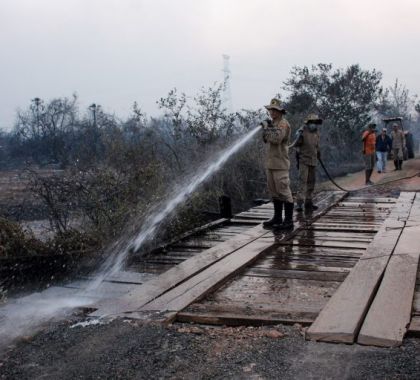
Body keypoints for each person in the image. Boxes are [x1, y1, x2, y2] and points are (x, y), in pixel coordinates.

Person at [261, 98, 294, 230]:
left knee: (284, 191)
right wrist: (267, 126)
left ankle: (288, 220)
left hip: (280, 164)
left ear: (280, 111)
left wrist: (268, 128)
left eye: (274, 110)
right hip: (271, 163)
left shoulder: (283, 124)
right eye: (270, 110)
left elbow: (277, 139)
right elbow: (265, 139)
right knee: (274, 192)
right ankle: (277, 218)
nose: (272, 112)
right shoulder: (273, 123)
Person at [293, 113, 322, 212]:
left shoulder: (317, 132)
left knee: (311, 182)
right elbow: (296, 144)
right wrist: (298, 134)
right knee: (302, 182)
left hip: (313, 161)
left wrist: (318, 153)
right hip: (303, 161)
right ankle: (299, 204)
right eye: (312, 122)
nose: (314, 124)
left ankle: (309, 202)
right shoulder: (302, 131)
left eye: (315, 122)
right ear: (308, 123)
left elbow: (317, 145)